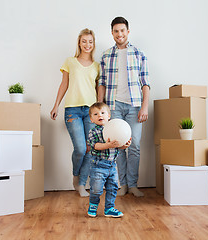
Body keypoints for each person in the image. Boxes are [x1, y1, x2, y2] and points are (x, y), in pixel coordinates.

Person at [97, 16, 150, 197]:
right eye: (116, 31)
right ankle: (123, 184)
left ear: (128, 31)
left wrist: (144, 106)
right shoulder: (105, 55)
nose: (119, 34)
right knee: (117, 144)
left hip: (135, 106)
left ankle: (133, 184)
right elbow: (102, 82)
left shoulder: (139, 54)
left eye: (122, 30)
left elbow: (145, 83)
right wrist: (101, 107)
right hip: (114, 106)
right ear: (112, 33)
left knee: (134, 145)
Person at [50, 28, 99, 197]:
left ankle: (81, 184)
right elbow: (64, 84)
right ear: (79, 42)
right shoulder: (70, 61)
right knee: (80, 148)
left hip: (91, 112)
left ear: (94, 44)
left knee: (89, 148)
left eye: (90, 41)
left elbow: (98, 90)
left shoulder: (97, 66)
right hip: (73, 110)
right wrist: (56, 105)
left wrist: (101, 111)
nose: (87, 44)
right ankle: (76, 176)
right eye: (84, 41)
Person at [87, 102, 131, 218]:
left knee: (113, 187)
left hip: (112, 165)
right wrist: (107, 145)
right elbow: (95, 146)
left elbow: (118, 146)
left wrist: (125, 145)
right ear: (91, 119)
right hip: (98, 166)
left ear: (109, 116)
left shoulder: (115, 129)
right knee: (96, 188)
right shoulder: (93, 132)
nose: (100, 115)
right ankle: (93, 205)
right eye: (96, 114)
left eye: (102, 113)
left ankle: (109, 208)